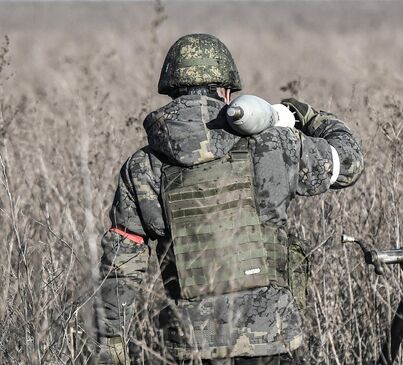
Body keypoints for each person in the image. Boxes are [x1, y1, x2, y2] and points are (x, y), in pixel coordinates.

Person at [96, 33, 364, 364]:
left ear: (172, 92)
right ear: (225, 92)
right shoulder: (272, 144)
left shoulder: (144, 166)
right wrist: (308, 116)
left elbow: (121, 265)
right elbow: (349, 163)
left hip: (191, 345)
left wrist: (112, 344)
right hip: (272, 339)